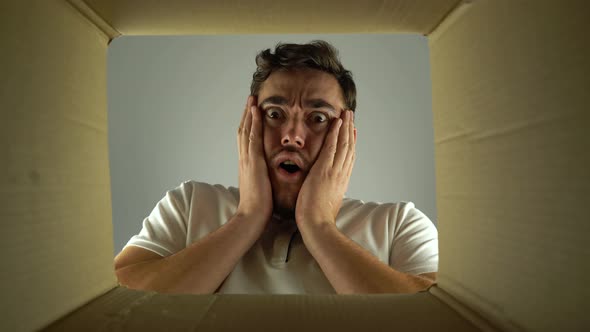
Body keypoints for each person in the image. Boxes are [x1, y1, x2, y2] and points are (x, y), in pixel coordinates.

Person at [114, 40, 438, 294]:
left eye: (318, 118)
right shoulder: (188, 205)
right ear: (249, 123)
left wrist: (318, 226)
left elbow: (440, 320)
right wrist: (247, 217)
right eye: (274, 114)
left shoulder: (399, 225)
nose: (293, 137)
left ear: (346, 139)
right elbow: (111, 304)